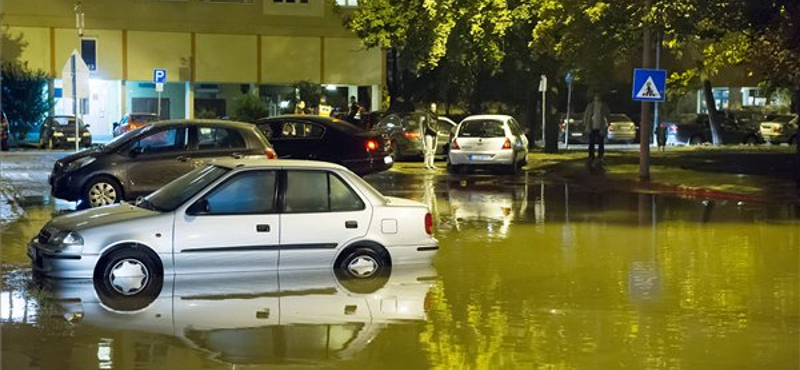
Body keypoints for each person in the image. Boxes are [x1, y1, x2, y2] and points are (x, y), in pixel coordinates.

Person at [582, 93, 610, 168]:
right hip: (592, 127)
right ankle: (591, 156)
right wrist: (586, 124)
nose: (597, 98)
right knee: (591, 142)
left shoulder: (603, 105)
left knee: (600, 142)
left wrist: (607, 124)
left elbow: (607, 115)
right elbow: (586, 115)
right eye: (596, 96)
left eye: (598, 96)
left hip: (600, 127)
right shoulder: (590, 105)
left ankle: (600, 156)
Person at [423, 103, 439, 170]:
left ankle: (431, 164)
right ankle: (426, 164)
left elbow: (437, 124)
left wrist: (438, 130)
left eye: (434, 107)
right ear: (430, 108)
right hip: (429, 134)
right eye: (432, 107)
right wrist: (435, 132)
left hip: (434, 135)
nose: (433, 109)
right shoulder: (428, 115)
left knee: (433, 150)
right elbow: (428, 126)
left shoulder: (436, 115)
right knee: (428, 150)